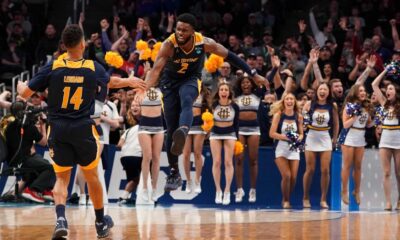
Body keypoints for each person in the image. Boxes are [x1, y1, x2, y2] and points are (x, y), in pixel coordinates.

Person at [17, 24, 145, 239]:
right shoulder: (92, 67)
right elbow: (110, 82)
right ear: (83, 43)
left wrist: (21, 86)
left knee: (62, 179)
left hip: (57, 129)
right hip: (83, 129)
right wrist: (128, 81)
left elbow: (27, 92)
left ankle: (60, 219)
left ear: (64, 45)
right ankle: (100, 222)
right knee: (92, 176)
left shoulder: (54, 66)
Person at [136, 13, 268, 191]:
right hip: (169, 83)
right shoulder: (169, 44)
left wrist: (253, 74)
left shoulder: (204, 42)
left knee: (188, 99)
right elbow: (156, 70)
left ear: (192, 31)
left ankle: (184, 130)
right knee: (170, 126)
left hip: (191, 79)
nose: (180, 32)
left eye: (185, 30)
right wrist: (143, 89)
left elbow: (230, 56)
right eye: (178, 29)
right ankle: (174, 171)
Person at [4, 101, 55, 203]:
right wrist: (43, 126)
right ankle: (33, 190)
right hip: (24, 160)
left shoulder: (8, 127)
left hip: (12, 161)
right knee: (49, 168)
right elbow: (44, 142)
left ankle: (44, 191)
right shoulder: (29, 127)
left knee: (36, 170)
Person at [302, 82, 339, 209]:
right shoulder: (309, 104)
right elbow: (302, 121)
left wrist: (335, 139)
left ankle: (323, 199)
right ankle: (305, 197)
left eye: (325, 89)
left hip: (325, 137)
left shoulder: (332, 105)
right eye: (320, 89)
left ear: (328, 92)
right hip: (311, 136)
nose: (322, 91)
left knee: (325, 170)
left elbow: (336, 123)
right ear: (317, 91)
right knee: (310, 169)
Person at [339, 84, 373, 205]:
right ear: (355, 93)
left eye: (364, 91)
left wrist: (377, 120)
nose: (363, 93)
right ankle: (344, 191)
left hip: (360, 137)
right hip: (349, 136)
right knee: (347, 165)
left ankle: (356, 191)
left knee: (358, 166)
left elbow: (368, 124)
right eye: (360, 91)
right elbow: (345, 125)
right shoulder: (349, 106)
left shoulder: (367, 107)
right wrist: (355, 116)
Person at [371, 68, 400, 211]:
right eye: (387, 89)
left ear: (396, 91)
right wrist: (385, 71)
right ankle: (388, 202)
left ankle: (399, 200)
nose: (387, 91)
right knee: (386, 172)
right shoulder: (384, 103)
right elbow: (374, 85)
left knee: (399, 173)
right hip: (386, 139)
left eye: (391, 89)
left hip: (399, 140)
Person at [269, 93, 304, 209]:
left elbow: (301, 133)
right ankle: (286, 200)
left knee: (294, 177)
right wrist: (286, 137)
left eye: (291, 99)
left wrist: (299, 137)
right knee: (287, 175)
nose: (289, 101)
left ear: (294, 102)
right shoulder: (278, 115)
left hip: (294, 147)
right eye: (287, 99)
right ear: (283, 102)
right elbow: (272, 133)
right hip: (281, 147)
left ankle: (286, 197)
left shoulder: (298, 116)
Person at [233, 75, 262, 203]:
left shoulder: (257, 96)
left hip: (254, 129)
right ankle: (239, 189)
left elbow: (266, 82)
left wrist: (274, 68)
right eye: (243, 83)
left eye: (248, 82)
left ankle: (253, 189)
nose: (246, 85)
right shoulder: (235, 99)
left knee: (253, 160)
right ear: (240, 85)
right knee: (238, 159)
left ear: (252, 84)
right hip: (239, 129)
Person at [209, 82, 239, 205]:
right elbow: (209, 120)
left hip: (230, 133)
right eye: (221, 89)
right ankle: (218, 190)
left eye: (226, 90)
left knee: (228, 162)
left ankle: (227, 191)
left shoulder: (235, 106)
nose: (224, 92)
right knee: (216, 162)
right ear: (218, 92)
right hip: (215, 133)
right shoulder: (214, 105)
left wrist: (237, 138)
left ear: (229, 92)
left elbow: (236, 123)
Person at [183, 83, 210, 194]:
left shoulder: (204, 93)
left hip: (199, 124)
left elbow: (208, 110)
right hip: (185, 123)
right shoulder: (183, 90)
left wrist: (208, 125)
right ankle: (188, 181)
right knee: (186, 154)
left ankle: (197, 180)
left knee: (197, 153)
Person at [138, 86, 164, 202]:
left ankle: (154, 188)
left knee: (156, 158)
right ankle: (144, 187)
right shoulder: (140, 90)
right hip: (144, 125)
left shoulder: (162, 89)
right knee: (147, 156)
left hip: (158, 126)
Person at [117, 100, 142, 204]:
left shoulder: (128, 130)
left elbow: (119, 144)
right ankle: (125, 197)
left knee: (133, 178)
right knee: (140, 178)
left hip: (125, 157)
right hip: (136, 155)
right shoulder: (145, 129)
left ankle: (126, 196)